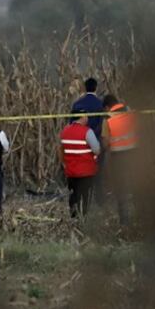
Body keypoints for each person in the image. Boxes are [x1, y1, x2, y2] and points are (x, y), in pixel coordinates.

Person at [59, 104, 102, 218]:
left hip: (71, 172)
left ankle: (73, 217)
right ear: (82, 117)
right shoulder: (88, 132)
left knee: (74, 195)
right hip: (86, 172)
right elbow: (97, 150)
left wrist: (64, 164)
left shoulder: (65, 131)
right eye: (86, 116)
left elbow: (61, 150)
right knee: (85, 196)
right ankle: (84, 218)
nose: (87, 118)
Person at [102, 94, 138, 225]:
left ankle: (124, 221)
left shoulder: (107, 120)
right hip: (134, 154)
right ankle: (141, 216)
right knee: (137, 185)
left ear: (107, 107)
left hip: (118, 157)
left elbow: (105, 143)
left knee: (121, 189)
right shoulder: (131, 113)